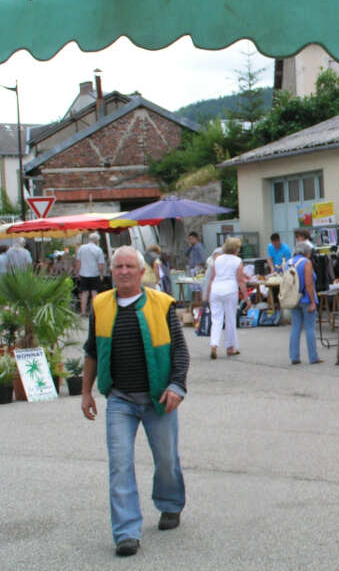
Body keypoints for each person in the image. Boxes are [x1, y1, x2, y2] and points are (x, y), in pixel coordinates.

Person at [80, 246, 189, 557]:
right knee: (120, 465)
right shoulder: (101, 305)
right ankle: (126, 532)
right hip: (120, 400)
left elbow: (179, 351)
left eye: (130, 266)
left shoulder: (162, 304)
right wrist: (86, 391)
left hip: (158, 399)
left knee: (166, 460)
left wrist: (177, 385)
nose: (124, 271)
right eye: (118, 266)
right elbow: (91, 351)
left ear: (142, 272)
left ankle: (170, 504)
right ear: (111, 271)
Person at [205, 237, 248, 359]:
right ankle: (230, 347)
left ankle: (214, 344)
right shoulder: (237, 261)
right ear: (236, 249)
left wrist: (207, 295)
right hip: (230, 290)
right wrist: (247, 297)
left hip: (216, 290)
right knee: (230, 319)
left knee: (216, 319)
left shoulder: (217, 259)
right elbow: (240, 280)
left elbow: (212, 277)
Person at [287, 240, 322, 365]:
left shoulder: (289, 262)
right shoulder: (306, 262)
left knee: (295, 327)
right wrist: (313, 301)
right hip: (306, 299)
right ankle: (313, 357)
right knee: (310, 328)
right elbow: (309, 283)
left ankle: (294, 356)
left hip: (293, 299)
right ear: (307, 252)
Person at [75, 233, 106, 316]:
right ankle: (92, 312)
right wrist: (101, 275)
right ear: (96, 240)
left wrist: (77, 273)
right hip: (94, 274)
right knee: (94, 293)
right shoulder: (98, 250)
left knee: (84, 294)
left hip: (83, 273)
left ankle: (83, 312)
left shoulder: (81, 248)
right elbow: (100, 265)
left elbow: (78, 262)